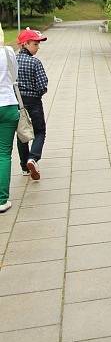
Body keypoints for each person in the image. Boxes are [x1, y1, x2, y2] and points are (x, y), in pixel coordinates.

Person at [16, 27, 48, 181]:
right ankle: (33, 158)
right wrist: (37, 94)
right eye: (35, 44)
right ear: (25, 44)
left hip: (16, 102)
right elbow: (43, 85)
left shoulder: (13, 61)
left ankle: (24, 167)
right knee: (40, 131)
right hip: (33, 102)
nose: (38, 47)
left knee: (22, 134)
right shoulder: (35, 62)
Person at [0, 24, 20, 213]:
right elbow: (14, 76)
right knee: (3, 154)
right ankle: (2, 199)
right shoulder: (7, 52)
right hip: (7, 104)